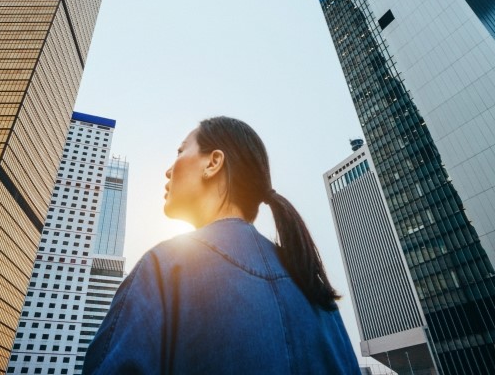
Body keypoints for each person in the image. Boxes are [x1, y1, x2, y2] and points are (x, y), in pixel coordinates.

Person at [83, 116, 361, 374]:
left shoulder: (164, 268)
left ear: (213, 163)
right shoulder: (315, 291)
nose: (169, 170)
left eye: (180, 152)